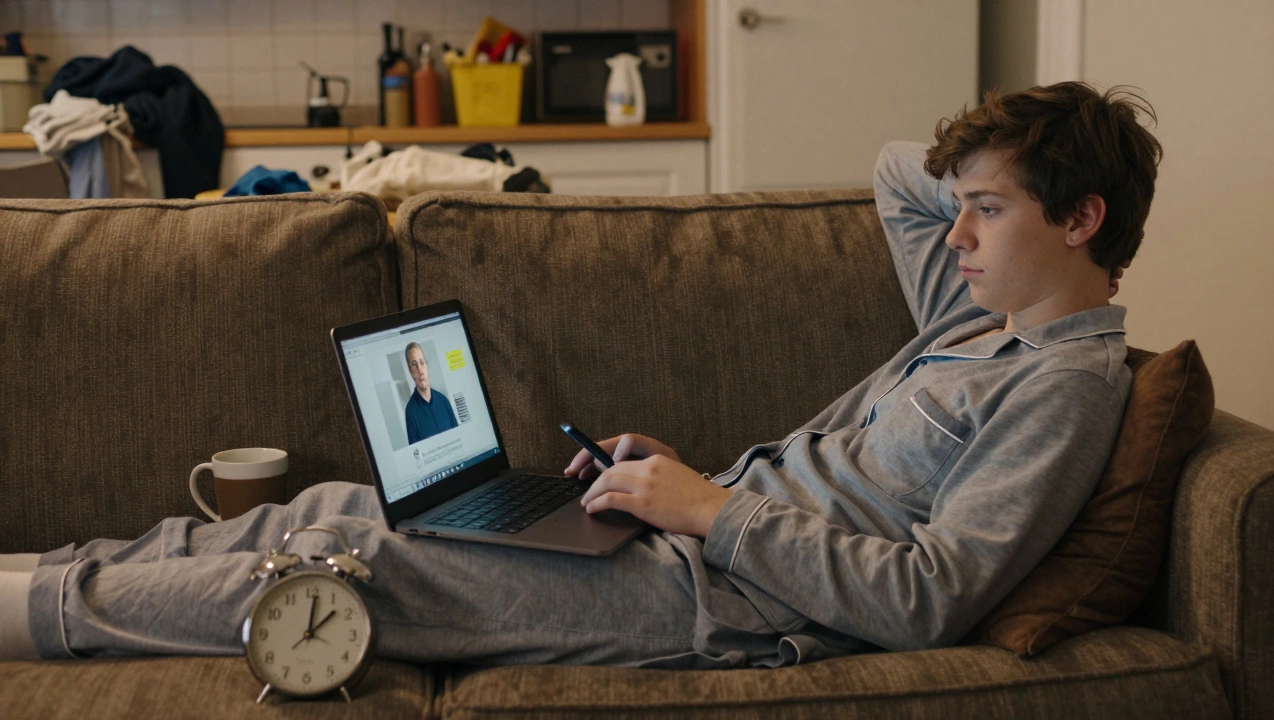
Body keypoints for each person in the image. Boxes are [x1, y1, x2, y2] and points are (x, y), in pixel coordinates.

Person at [0, 82, 1162, 667]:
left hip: (724, 599)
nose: (952, 235)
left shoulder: (1060, 388)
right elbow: (897, 173)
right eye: (959, 212)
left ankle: (32, 612)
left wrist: (710, 508)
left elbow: (927, 600)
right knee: (339, 503)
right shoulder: (977, 312)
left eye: (988, 211)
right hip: (693, 536)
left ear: (1081, 219)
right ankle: (49, 567)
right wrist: (996, 157)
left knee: (357, 566)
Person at [403, 342, 458, 445]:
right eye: (414, 365)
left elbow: (459, 437)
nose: (420, 370)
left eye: (422, 362)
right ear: (410, 370)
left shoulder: (443, 400)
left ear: (426, 365)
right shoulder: (410, 411)